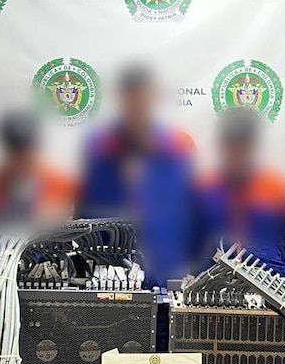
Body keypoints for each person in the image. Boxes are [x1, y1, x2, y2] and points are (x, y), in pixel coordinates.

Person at [77, 63, 198, 289]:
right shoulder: (100, 148)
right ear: (121, 99)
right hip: (109, 274)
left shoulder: (178, 149)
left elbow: (193, 213)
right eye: (131, 97)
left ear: (154, 98)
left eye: (143, 97)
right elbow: (84, 214)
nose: (137, 104)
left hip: (164, 269)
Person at [0, 109, 76, 270]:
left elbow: (65, 244)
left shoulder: (59, 185)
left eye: (27, 150)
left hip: (45, 275)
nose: (21, 159)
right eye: (15, 151)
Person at [195, 108, 285, 276]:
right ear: (220, 145)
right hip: (213, 284)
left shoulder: (279, 189)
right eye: (231, 145)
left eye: (243, 145)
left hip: (268, 284)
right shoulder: (204, 188)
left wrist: (273, 266)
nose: (237, 152)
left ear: (255, 145)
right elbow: (193, 242)